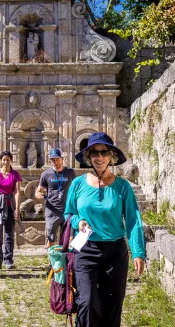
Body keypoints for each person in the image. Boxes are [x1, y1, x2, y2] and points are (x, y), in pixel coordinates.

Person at [64, 132, 145, 327]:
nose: (99, 157)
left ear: (111, 156)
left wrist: (138, 252)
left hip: (115, 251)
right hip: (85, 249)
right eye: (94, 153)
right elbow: (68, 214)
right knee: (87, 301)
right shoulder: (77, 184)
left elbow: (133, 220)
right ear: (88, 157)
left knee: (113, 302)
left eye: (104, 152)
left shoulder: (123, 187)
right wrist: (78, 222)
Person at [0, 151, 22, 269]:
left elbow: (17, 192)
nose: (6, 162)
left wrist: (17, 208)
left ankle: (8, 260)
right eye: (4, 160)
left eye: (8, 160)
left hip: (10, 207)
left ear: (11, 160)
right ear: (1, 160)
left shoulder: (15, 174)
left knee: (9, 234)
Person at [35, 148, 76, 248]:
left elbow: (76, 189)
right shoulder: (46, 174)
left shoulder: (70, 172)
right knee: (50, 236)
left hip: (67, 209)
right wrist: (38, 194)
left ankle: (64, 261)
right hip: (51, 210)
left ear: (62, 159)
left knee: (66, 237)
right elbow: (38, 190)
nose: (55, 162)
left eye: (57, 159)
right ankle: (52, 262)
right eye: (53, 160)